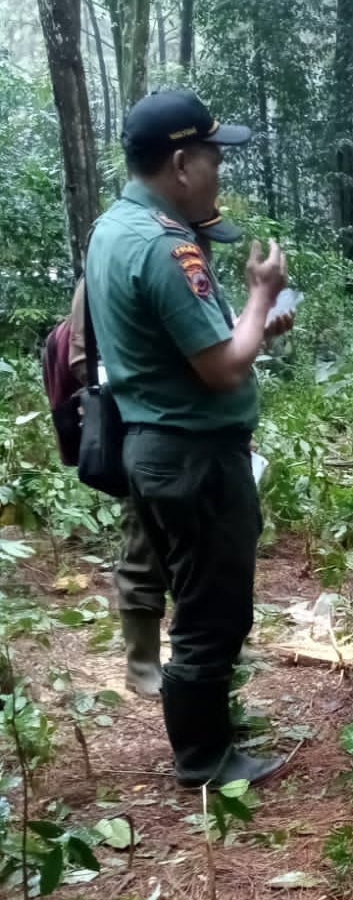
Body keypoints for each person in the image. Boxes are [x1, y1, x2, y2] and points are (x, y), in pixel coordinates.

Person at [85, 88, 292, 788]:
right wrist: (262, 294)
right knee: (212, 610)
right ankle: (203, 759)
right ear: (179, 162)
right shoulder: (166, 245)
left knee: (196, 597)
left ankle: (206, 738)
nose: (217, 174)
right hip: (193, 456)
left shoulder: (113, 228)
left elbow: (184, 347)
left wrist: (255, 328)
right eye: (211, 159)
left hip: (155, 445)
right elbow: (220, 366)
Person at [67, 205, 246, 699]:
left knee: (200, 550)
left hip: (200, 436)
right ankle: (141, 660)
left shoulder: (192, 278)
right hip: (148, 429)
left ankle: (194, 651)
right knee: (144, 544)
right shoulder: (129, 261)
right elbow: (83, 355)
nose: (205, 251)